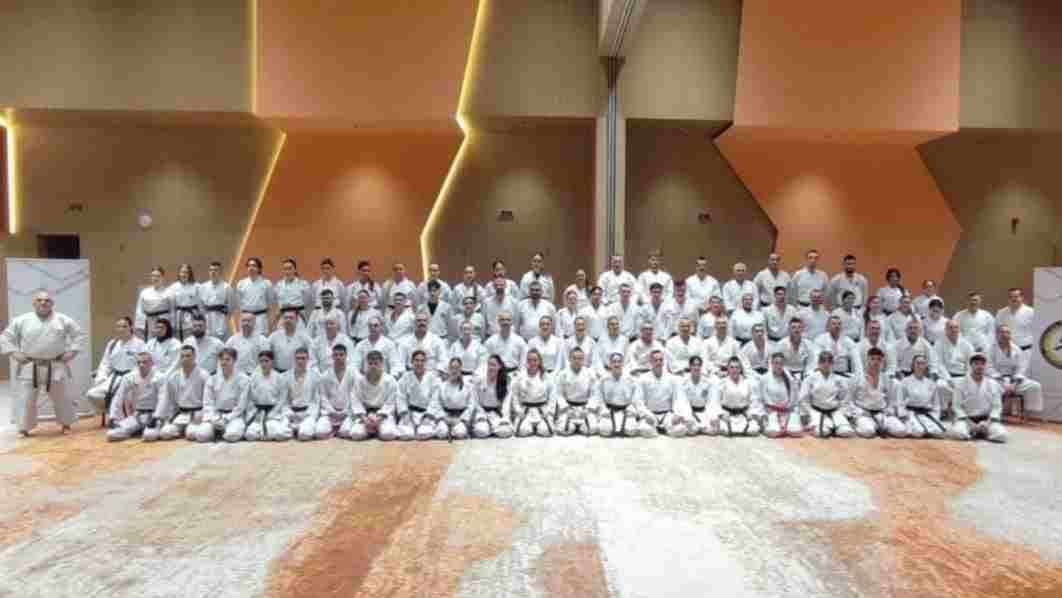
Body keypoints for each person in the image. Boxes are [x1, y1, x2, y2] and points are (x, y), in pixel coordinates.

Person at [2, 291, 87, 436]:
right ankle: (24, 427)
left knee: (61, 397)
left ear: (52, 303)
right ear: (34, 303)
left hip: (55, 364)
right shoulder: (22, 320)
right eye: (39, 300)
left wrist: (71, 352)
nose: (43, 302)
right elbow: (5, 337)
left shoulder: (62, 320)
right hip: (30, 365)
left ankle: (66, 424)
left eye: (47, 300)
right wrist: (14, 353)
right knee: (26, 398)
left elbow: (79, 335)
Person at [86, 316, 146, 420]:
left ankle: (124, 417)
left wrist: (133, 377)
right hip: (114, 377)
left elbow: (142, 363)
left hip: (132, 378)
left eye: (124, 326)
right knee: (92, 394)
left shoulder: (140, 344)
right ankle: (112, 412)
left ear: (131, 327)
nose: (121, 329)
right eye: (119, 326)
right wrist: (101, 378)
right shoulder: (112, 344)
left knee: (125, 397)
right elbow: (105, 363)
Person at [191, 348, 250, 442]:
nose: (224, 362)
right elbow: (208, 402)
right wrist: (214, 418)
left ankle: (224, 430)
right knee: (200, 435)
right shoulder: (212, 379)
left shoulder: (243, 379)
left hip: (234, 417)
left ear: (234, 361)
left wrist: (227, 419)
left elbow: (241, 406)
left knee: (232, 435)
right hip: (216, 415)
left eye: (227, 359)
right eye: (222, 359)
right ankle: (215, 431)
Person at [155, 344, 210, 441]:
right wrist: (165, 418)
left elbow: (208, 399)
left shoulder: (203, 375)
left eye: (188, 356)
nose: (185, 359)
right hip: (182, 414)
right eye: (182, 356)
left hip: (198, 414)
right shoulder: (174, 376)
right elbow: (168, 400)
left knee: (191, 434)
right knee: (165, 433)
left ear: (194, 357)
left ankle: (188, 429)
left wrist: (205, 416)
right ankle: (181, 430)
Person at [106, 351, 164, 442]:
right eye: (139, 362)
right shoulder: (129, 377)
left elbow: (163, 399)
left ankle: (144, 430)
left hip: (153, 416)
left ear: (152, 363)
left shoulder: (160, 377)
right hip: (137, 416)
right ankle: (135, 430)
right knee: (111, 434)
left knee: (149, 436)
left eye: (144, 362)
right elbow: (118, 396)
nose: (141, 365)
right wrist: (113, 417)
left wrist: (156, 417)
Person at [848, 348, 906, 438]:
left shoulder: (886, 379)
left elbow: (891, 400)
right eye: (872, 359)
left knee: (901, 431)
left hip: (881, 413)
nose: (876, 362)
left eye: (879, 359)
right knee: (868, 432)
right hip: (864, 414)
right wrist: (858, 412)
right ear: (867, 360)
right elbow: (849, 400)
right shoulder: (857, 378)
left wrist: (889, 410)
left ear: (882, 362)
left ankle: (878, 426)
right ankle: (857, 424)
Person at [948, 355, 1007, 443]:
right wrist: (970, 424)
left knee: (1002, 435)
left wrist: (987, 423)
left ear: (985, 366)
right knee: (958, 433)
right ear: (970, 366)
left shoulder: (993, 384)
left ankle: (982, 432)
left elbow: (997, 407)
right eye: (976, 364)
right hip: (967, 420)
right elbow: (957, 406)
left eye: (982, 364)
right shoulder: (961, 383)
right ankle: (975, 431)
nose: (980, 366)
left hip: (987, 420)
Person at [987, 325, 1044, 414]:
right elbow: (989, 367)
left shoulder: (1016, 349)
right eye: (1002, 332)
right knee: (990, 387)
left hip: (1013, 380)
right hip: (997, 380)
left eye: (1007, 332)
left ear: (1010, 335)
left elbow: (1021, 368)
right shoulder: (990, 349)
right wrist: (1002, 382)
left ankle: (1029, 413)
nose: (1005, 335)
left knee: (1035, 386)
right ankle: (993, 413)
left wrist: (1014, 384)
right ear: (997, 335)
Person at [635, 350, 692, 437]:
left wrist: (678, 414)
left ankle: (665, 428)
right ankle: (657, 428)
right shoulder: (643, 379)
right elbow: (638, 400)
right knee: (646, 431)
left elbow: (679, 399)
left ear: (663, 361)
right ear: (650, 362)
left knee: (680, 430)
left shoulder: (672, 379)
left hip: (667, 414)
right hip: (650, 414)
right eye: (655, 360)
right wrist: (645, 414)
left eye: (661, 360)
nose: (658, 362)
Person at [348, 351, 401, 441]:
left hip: (383, 416)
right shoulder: (360, 381)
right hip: (365, 415)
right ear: (366, 364)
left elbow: (390, 403)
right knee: (356, 434)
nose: (373, 366)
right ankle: (371, 430)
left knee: (388, 434)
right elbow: (356, 401)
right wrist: (365, 420)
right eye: (370, 363)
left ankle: (376, 429)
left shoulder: (390, 380)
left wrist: (378, 419)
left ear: (382, 364)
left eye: (376, 363)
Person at [799, 351, 854, 438]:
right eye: (823, 361)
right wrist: (810, 413)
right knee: (822, 432)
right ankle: (826, 426)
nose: (826, 364)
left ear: (832, 364)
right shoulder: (810, 379)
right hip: (817, 412)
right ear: (818, 363)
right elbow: (803, 399)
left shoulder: (839, 380)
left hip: (835, 411)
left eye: (829, 362)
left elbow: (845, 398)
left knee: (846, 432)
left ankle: (833, 425)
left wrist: (842, 412)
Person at [243, 351, 291, 441]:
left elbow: (282, 398)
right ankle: (261, 431)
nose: (264, 364)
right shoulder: (254, 377)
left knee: (276, 434)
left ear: (272, 362)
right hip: (258, 412)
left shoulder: (279, 377)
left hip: (273, 412)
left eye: (266, 361)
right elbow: (250, 397)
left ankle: (274, 430)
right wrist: (252, 411)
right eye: (261, 361)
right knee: (250, 435)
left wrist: (273, 412)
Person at [897, 355, 948, 439]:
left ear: (926, 366)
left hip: (926, 413)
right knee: (918, 432)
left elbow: (936, 404)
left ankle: (927, 429)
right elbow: (900, 402)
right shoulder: (905, 381)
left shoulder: (931, 383)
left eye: (923, 363)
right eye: (918, 363)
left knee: (937, 431)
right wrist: (903, 415)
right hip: (911, 413)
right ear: (912, 366)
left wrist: (935, 415)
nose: (920, 366)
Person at [396, 350, 442, 441]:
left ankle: (423, 429)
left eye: (422, 361)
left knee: (423, 434)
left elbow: (435, 399)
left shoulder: (433, 378)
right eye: (416, 360)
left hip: (426, 415)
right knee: (406, 435)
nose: (419, 363)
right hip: (409, 414)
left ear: (426, 362)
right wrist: (405, 413)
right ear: (411, 362)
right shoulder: (405, 377)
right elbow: (401, 397)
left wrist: (429, 415)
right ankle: (412, 429)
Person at [553, 347, 599, 436]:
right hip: (568, 408)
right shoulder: (563, 374)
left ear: (583, 360)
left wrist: (588, 408)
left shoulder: (590, 374)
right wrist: (566, 408)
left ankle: (580, 425)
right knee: (564, 430)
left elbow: (594, 395)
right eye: (574, 358)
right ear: (569, 359)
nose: (577, 361)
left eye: (580, 358)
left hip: (585, 408)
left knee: (592, 429)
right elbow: (559, 395)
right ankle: (574, 425)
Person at [595, 353, 641, 437]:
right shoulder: (603, 380)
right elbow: (599, 398)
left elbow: (635, 399)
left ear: (623, 364)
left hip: (626, 411)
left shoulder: (631, 380)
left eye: (619, 361)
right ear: (610, 364)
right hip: (609, 411)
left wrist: (632, 409)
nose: (616, 364)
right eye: (614, 361)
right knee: (605, 431)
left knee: (631, 431)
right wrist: (603, 409)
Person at [933, 319, 976, 410]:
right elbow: (939, 364)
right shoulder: (939, 343)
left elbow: (971, 363)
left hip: (963, 376)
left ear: (959, 329)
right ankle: (944, 410)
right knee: (940, 386)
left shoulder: (966, 344)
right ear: (945, 330)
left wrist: (968, 377)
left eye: (956, 327)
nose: (954, 330)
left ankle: (967, 410)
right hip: (947, 377)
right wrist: (948, 379)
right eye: (950, 327)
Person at [713, 357, 762, 437]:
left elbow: (753, 400)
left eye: (737, 367)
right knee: (724, 430)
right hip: (728, 415)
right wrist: (722, 414)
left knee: (753, 430)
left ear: (740, 369)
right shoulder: (722, 383)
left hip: (743, 415)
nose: (734, 370)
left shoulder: (748, 383)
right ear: (728, 369)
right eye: (732, 367)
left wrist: (750, 413)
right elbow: (716, 402)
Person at [314, 344, 355, 440]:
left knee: (346, 432)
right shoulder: (325, 375)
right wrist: (331, 411)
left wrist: (346, 410)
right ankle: (333, 429)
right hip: (330, 414)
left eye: (341, 355)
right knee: (319, 432)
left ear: (346, 356)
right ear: (332, 357)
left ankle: (338, 430)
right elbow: (323, 396)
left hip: (348, 413)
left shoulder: (353, 373)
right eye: (336, 355)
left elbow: (355, 395)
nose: (338, 357)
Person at [511, 349, 556, 437]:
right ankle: (531, 427)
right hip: (525, 411)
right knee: (523, 431)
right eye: (529, 360)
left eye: (535, 360)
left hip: (542, 411)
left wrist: (549, 411)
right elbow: (515, 396)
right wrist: (518, 410)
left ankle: (538, 427)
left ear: (539, 361)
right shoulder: (520, 376)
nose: (532, 363)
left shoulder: (546, 376)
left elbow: (552, 397)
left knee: (545, 431)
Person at [471, 355, 515, 438]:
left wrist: (504, 418)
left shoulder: (505, 382)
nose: (491, 367)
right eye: (489, 365)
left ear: (499, 366)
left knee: (504, 432)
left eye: (494, 365)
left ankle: (493, 429)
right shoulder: (480, 381)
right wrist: (482, 415)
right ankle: (489, 429)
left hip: (497, 414)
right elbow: (475, 401)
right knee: (481, 431)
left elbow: (506, 403)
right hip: (483, 413)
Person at [761, 352, 803, 438]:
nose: (779, 366)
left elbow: (794, 398)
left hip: (787, 411)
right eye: (776, 363)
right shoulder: (765, 378)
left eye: (781, 363)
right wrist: (774, 408)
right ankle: (775, 426)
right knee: (773, 432)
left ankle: (784, 427)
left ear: (784, 364)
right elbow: (763, 398)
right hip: (771, 411)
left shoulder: (790, 379)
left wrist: (788, 407)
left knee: (797, 432)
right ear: (772, 364)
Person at [434, 357, 476, 441]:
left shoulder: (468, 386)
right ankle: (447, 430)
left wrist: (462, 419)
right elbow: (437, 404)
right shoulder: (442, 386)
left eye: (457, 368)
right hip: (445, 416)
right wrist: (443, 417)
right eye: (452, 368)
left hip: (460, 417)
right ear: (448, 369)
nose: (454, 371)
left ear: (460, 369)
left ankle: (455, 430)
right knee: (441, 433)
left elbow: (471, 405)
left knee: (460, 433)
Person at [284, 347, 321, 441]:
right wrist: (288, 413)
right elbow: (283, 400)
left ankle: (300, 428)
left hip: (307, 413)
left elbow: (316, 400)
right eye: (298, 358)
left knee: (304, 435)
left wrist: (310, 415)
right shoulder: (285, 376)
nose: (300, 361)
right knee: (279, 434)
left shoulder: (315, 376)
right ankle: (293, 428)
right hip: (290, 414)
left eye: (303, 358)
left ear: (308, 359)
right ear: (294, 359)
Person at [235, 257, 274, 336]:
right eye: (249, 266)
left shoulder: (266, 283)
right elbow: (239, 305)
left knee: (261, 340)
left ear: (259, 268)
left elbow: (270, 304)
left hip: (261, 318)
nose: (251, 268)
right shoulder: (241, 284)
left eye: (254, 266)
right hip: (246, 318)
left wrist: (270, 323)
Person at [199, 261, 236, 340]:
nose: (213, 272)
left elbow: (231, 307)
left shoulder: (227, 287)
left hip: (221, 320)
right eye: (211, 270)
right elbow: (200, 306)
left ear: (220, 272)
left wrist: (226, 318)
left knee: (221, 341)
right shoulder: (203, 287)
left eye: (216, 270)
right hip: (207, 319)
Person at [134, 266, 173, 340]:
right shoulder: (144, 292)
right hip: (149, 322)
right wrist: (140, 325)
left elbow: (173, 310)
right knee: (150, 342)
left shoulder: (169, 292)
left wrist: (172, 325)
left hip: (164, 321)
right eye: (153, 276)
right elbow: (139, 310)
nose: (155, 278)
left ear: (163, 278)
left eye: (158, 276)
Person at [680, 356, 716, 434]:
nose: (696, 367)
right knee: (692, 431)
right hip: (690, 413)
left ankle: (702, 426)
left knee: (713, 430)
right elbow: (683, 402)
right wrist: (687, 414)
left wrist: (711, 415)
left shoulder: (707, 382)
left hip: (703, 412)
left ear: (701, 366)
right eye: (694, 365)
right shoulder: (684, 382)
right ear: (690, 366)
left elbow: (710, 402)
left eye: (698, 365)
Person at [169, 263, 202, 341]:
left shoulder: (197, 286)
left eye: (186, 272)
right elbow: (172, 307)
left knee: (192, 340)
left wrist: (201, 320)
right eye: (182, 272)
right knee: (179, 341)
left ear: (190, 274)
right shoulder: (173, 287)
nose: (184, 274)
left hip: (193, 317)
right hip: (178, 318)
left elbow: (201, 305)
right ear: (179, 273)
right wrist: (172, 323)